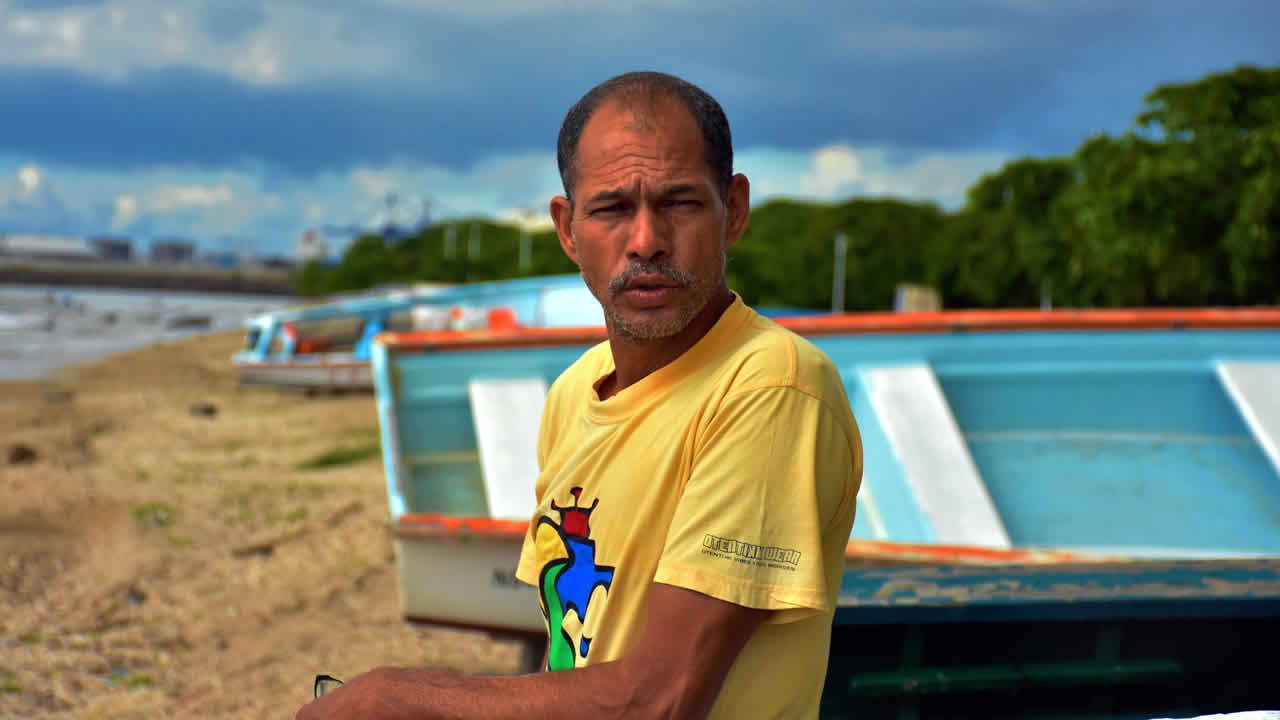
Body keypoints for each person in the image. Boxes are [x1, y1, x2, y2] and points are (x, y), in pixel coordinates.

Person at [296, 70, 862, 720]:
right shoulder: (574, 393)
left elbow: (661, 699)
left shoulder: (771, 387)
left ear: (733, 210)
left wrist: (398, 698)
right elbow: (570, 653)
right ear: (567, 229)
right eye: (612, 209)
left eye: (679, 203)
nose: (646, 241)